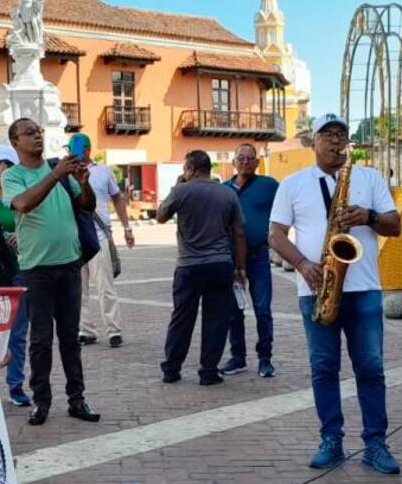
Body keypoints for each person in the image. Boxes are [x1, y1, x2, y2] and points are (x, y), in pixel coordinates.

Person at [268, 113, 402, 475]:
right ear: (313, 142)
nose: (334, 140)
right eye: (326, 134)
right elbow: (275, 235)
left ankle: (375, 444)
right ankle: (331, 439)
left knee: (371, 368)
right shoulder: (293, 184)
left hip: (364, 288)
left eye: (340, 134)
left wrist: (368, 216)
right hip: (317, 288)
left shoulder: (369, 178)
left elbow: (396, 226)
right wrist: (303, 264)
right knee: (324, 369)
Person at [2, 117, 101, 426]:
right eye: (29, 133)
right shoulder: (13, 175)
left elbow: (86, 204)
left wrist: (83, 182)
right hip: (36, 270)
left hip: (69, 264)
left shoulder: (60, 171)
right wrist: (55, 174)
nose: (37, 136)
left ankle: (77, 399)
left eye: (39, 131)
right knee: (41, 340)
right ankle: (41, 401)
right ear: (15, 142)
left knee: (70, 338)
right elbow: (22, 204)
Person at [156, 150, 246, 385]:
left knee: (181, 318)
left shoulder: (181, 191)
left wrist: (177, 187)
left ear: (191, 169)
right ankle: (208, 371)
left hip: (189, 265)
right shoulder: (227, 193)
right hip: (220, 264)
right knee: (216, 319)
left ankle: (171, 369)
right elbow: (239, 233)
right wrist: (240, 268)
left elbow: (160, 216)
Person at [220, 142, 279, 379]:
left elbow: (286, 208)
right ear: (234, 162)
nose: (245, 162)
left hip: (259, 256)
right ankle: (238, 357)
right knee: (234, 310)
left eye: (249, 158)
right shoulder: (224, 190)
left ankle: (265, 358)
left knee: (263, 309)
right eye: (241, 158)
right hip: (231, 259)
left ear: (257, 162)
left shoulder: (269, 185)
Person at [0, 144, 31, 407]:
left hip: (20, 268)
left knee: (18, 332)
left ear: (10, 167)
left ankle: (15, 385)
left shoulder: (24, 195)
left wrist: (21, 236)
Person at [78, 135, 134, 348]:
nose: (75, 152)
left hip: (98, 235)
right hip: (74, 238)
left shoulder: (103, 171)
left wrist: (127, 227)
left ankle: (114, 330)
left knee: (105, 286)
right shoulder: (64, 172)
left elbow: (117, 199)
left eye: (79, 148)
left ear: (88, 150)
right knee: (78, 290)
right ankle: (86, 329)